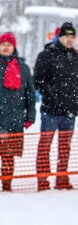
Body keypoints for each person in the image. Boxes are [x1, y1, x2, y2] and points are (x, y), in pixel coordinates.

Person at [33, 22, 78, 191]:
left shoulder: (77, 57)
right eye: (66, 36)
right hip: (51, 110)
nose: (69, 40)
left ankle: (61, 177)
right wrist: (51, 95)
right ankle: (42, 179)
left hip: (69, 112)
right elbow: (39, 80)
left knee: (65, 147)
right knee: (45, 145)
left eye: (72, 37)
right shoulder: (46, 55)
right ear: (59, 37)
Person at [0, 32, 36, 192]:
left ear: (14, 47)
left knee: (8, 156)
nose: (6, 47)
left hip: (14, 119)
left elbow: (30, 94)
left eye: (9, 44)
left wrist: (30, 116)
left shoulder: (23, 68)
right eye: (3, 44)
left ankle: (7, 185)